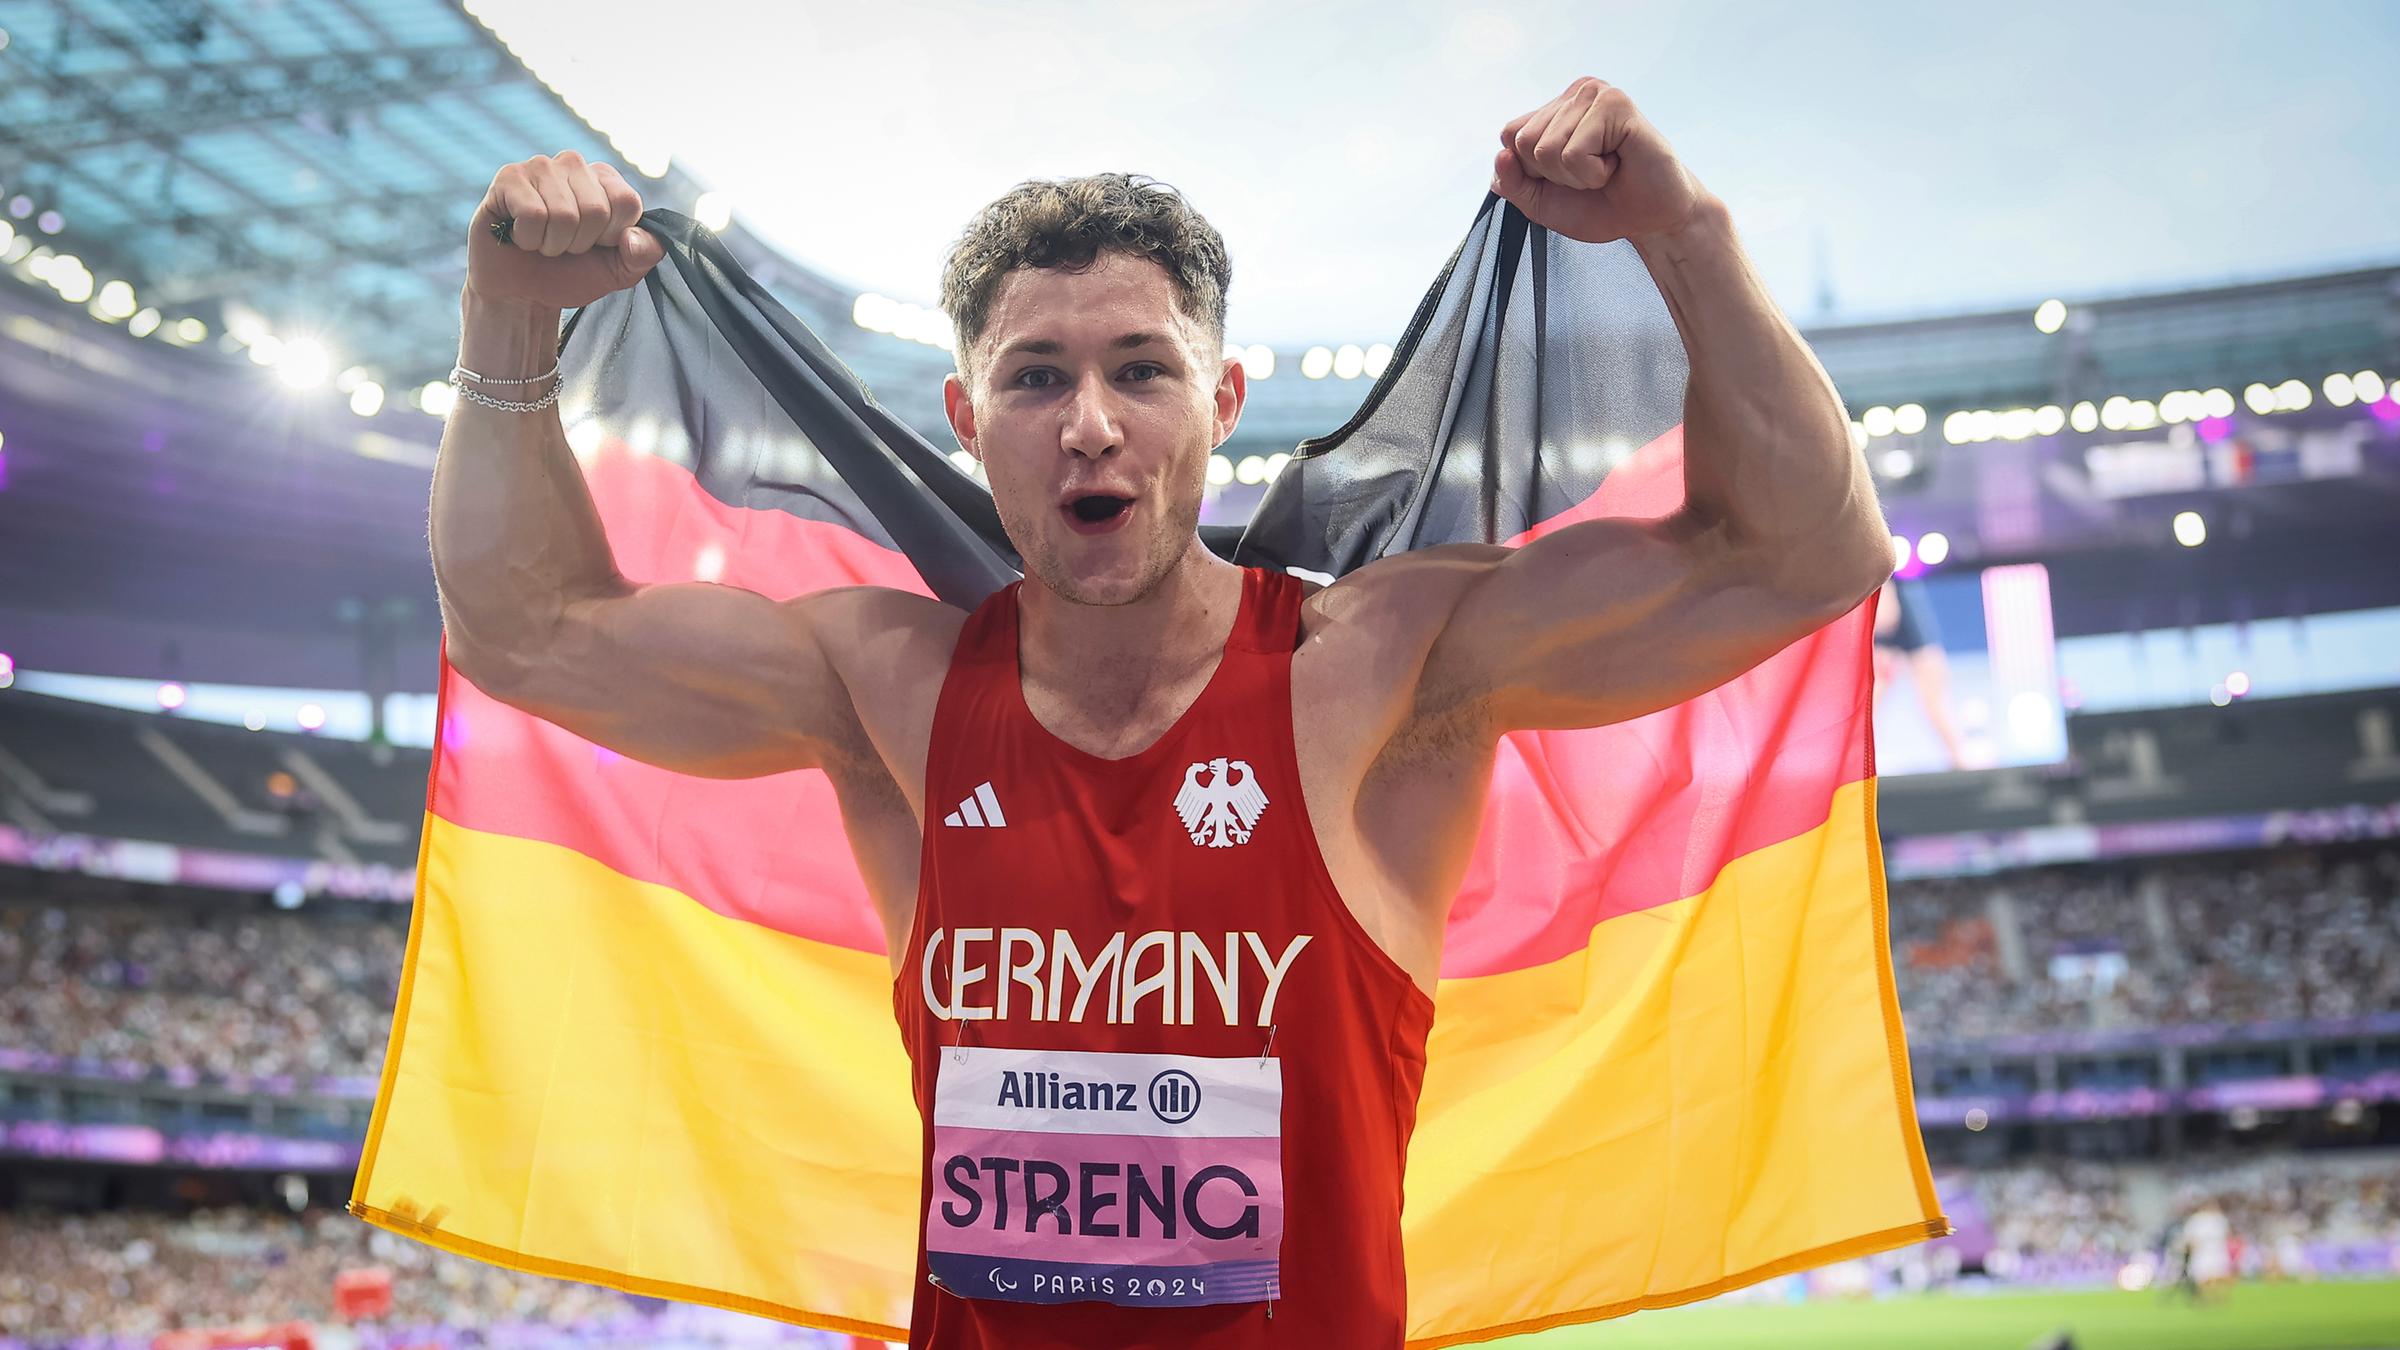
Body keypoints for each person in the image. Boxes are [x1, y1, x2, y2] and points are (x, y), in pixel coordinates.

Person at [431, 76, 1893, 1348]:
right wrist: (505, 323)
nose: (1089, 422)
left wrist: (1681, 233)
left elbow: (1803, 557)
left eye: (1142, 370)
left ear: (1223, 398)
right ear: (966, 418)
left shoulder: (1382, 669)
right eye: (1036, 377)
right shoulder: (893, 688)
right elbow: (528, 631)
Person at [1873, 574, 1970, 769]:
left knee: (1934, 701)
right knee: (1871, 703)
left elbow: (1887, 618)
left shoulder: (1898, 587)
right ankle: (1959, 757)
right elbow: (1886, 619)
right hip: (1886, 602)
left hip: (1897, 606)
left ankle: (1959, 757)